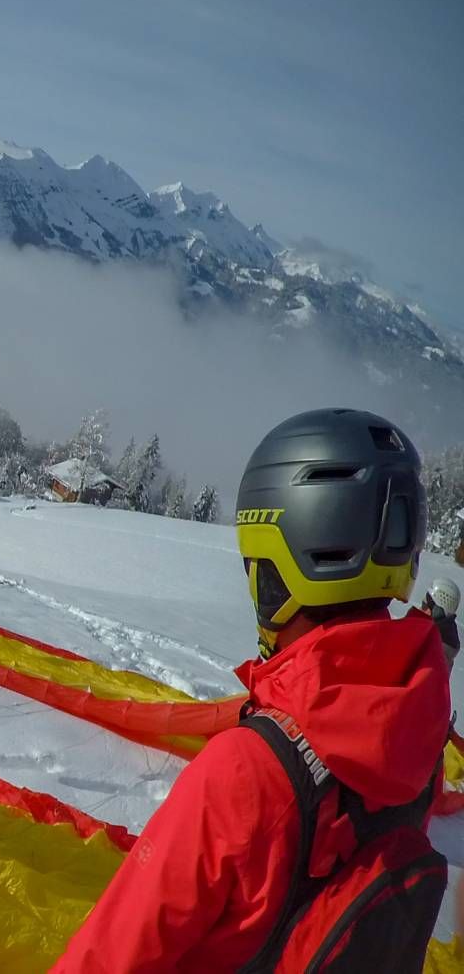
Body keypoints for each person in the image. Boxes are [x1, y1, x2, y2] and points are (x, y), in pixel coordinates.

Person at [52, 409, 449, 973]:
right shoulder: (420, 724)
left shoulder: (248, 770)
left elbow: (108, 960)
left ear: (285, 571)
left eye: (259, 567)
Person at [416, 577, 460, 670]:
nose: (420, 609)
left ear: (437, 612)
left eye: (424, 606)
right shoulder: (443, 644)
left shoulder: (432, 655)